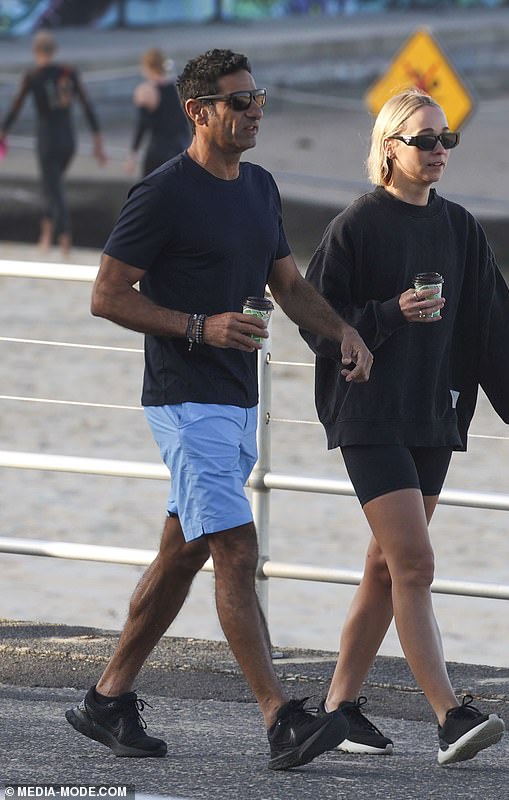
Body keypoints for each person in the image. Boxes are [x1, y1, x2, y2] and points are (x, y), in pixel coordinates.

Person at [63, 47, 373, 771]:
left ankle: (107, 698)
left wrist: (345, 332)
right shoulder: (162, 193)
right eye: (239, 101)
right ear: (199, 112)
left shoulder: (260, 187)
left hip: (236, 398)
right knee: (236, 548)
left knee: (186, 552)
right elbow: (107, 295)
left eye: (258, 96)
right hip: (184, 399)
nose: (255, 109)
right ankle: (280, 721)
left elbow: (290, 288)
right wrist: (201, 326)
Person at [300, 89, 509, 765]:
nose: (439, 151)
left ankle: (338, 711)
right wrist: (386, 314)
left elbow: (493, 323)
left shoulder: (461, 228)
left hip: (434, 413)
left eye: (447, 140)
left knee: (385, 567)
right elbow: (315, 317)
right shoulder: (357, 225)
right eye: (424, 140)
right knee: (414, 563)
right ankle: (449, 714)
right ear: (390, 148)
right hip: (369, 412)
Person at [0, 30, 106, 257]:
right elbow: (87, 106)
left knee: (53, 188)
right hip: (68, 139)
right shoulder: (68, 72)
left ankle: (62, 236)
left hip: (47, 138)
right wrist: (97, 139)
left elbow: (16, 107)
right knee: (53, 184)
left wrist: (3, 131)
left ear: (35, 51)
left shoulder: (32, 76)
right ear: (54, 50)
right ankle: (46, 235)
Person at [125, 47, 190, 178]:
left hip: (157, 149)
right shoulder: (179, 89)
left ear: (147, 67)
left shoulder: (146, 91)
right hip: (179, 148)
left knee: (150, 192)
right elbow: (184, 122)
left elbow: (142, 126)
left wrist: (133, 154)